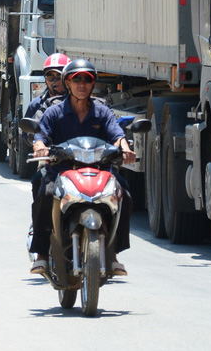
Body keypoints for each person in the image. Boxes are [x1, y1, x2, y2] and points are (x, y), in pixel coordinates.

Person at [29, 58, 136, 277]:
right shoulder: (55, 112)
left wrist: (125, 148)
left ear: (93, 83)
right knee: (45, 193)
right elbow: (41, 134)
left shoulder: (102, 112)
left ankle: (114, 254)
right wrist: (40, 146)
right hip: (61, 171)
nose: (81, 84)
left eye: (86, 80)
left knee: (124, 193)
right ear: (67, 83)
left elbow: (116, 134)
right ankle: (40, 254)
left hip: (99, 170)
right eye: (75, 79)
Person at [26, 53, 71, 202]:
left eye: (59, 77)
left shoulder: (85, 103)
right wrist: (39, 145)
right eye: (50, 77)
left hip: (81, 158)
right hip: (53, 158)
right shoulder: (40, 105)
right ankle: (39, 223)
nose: (55, 82)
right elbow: (30, 132)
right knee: (39, 180)